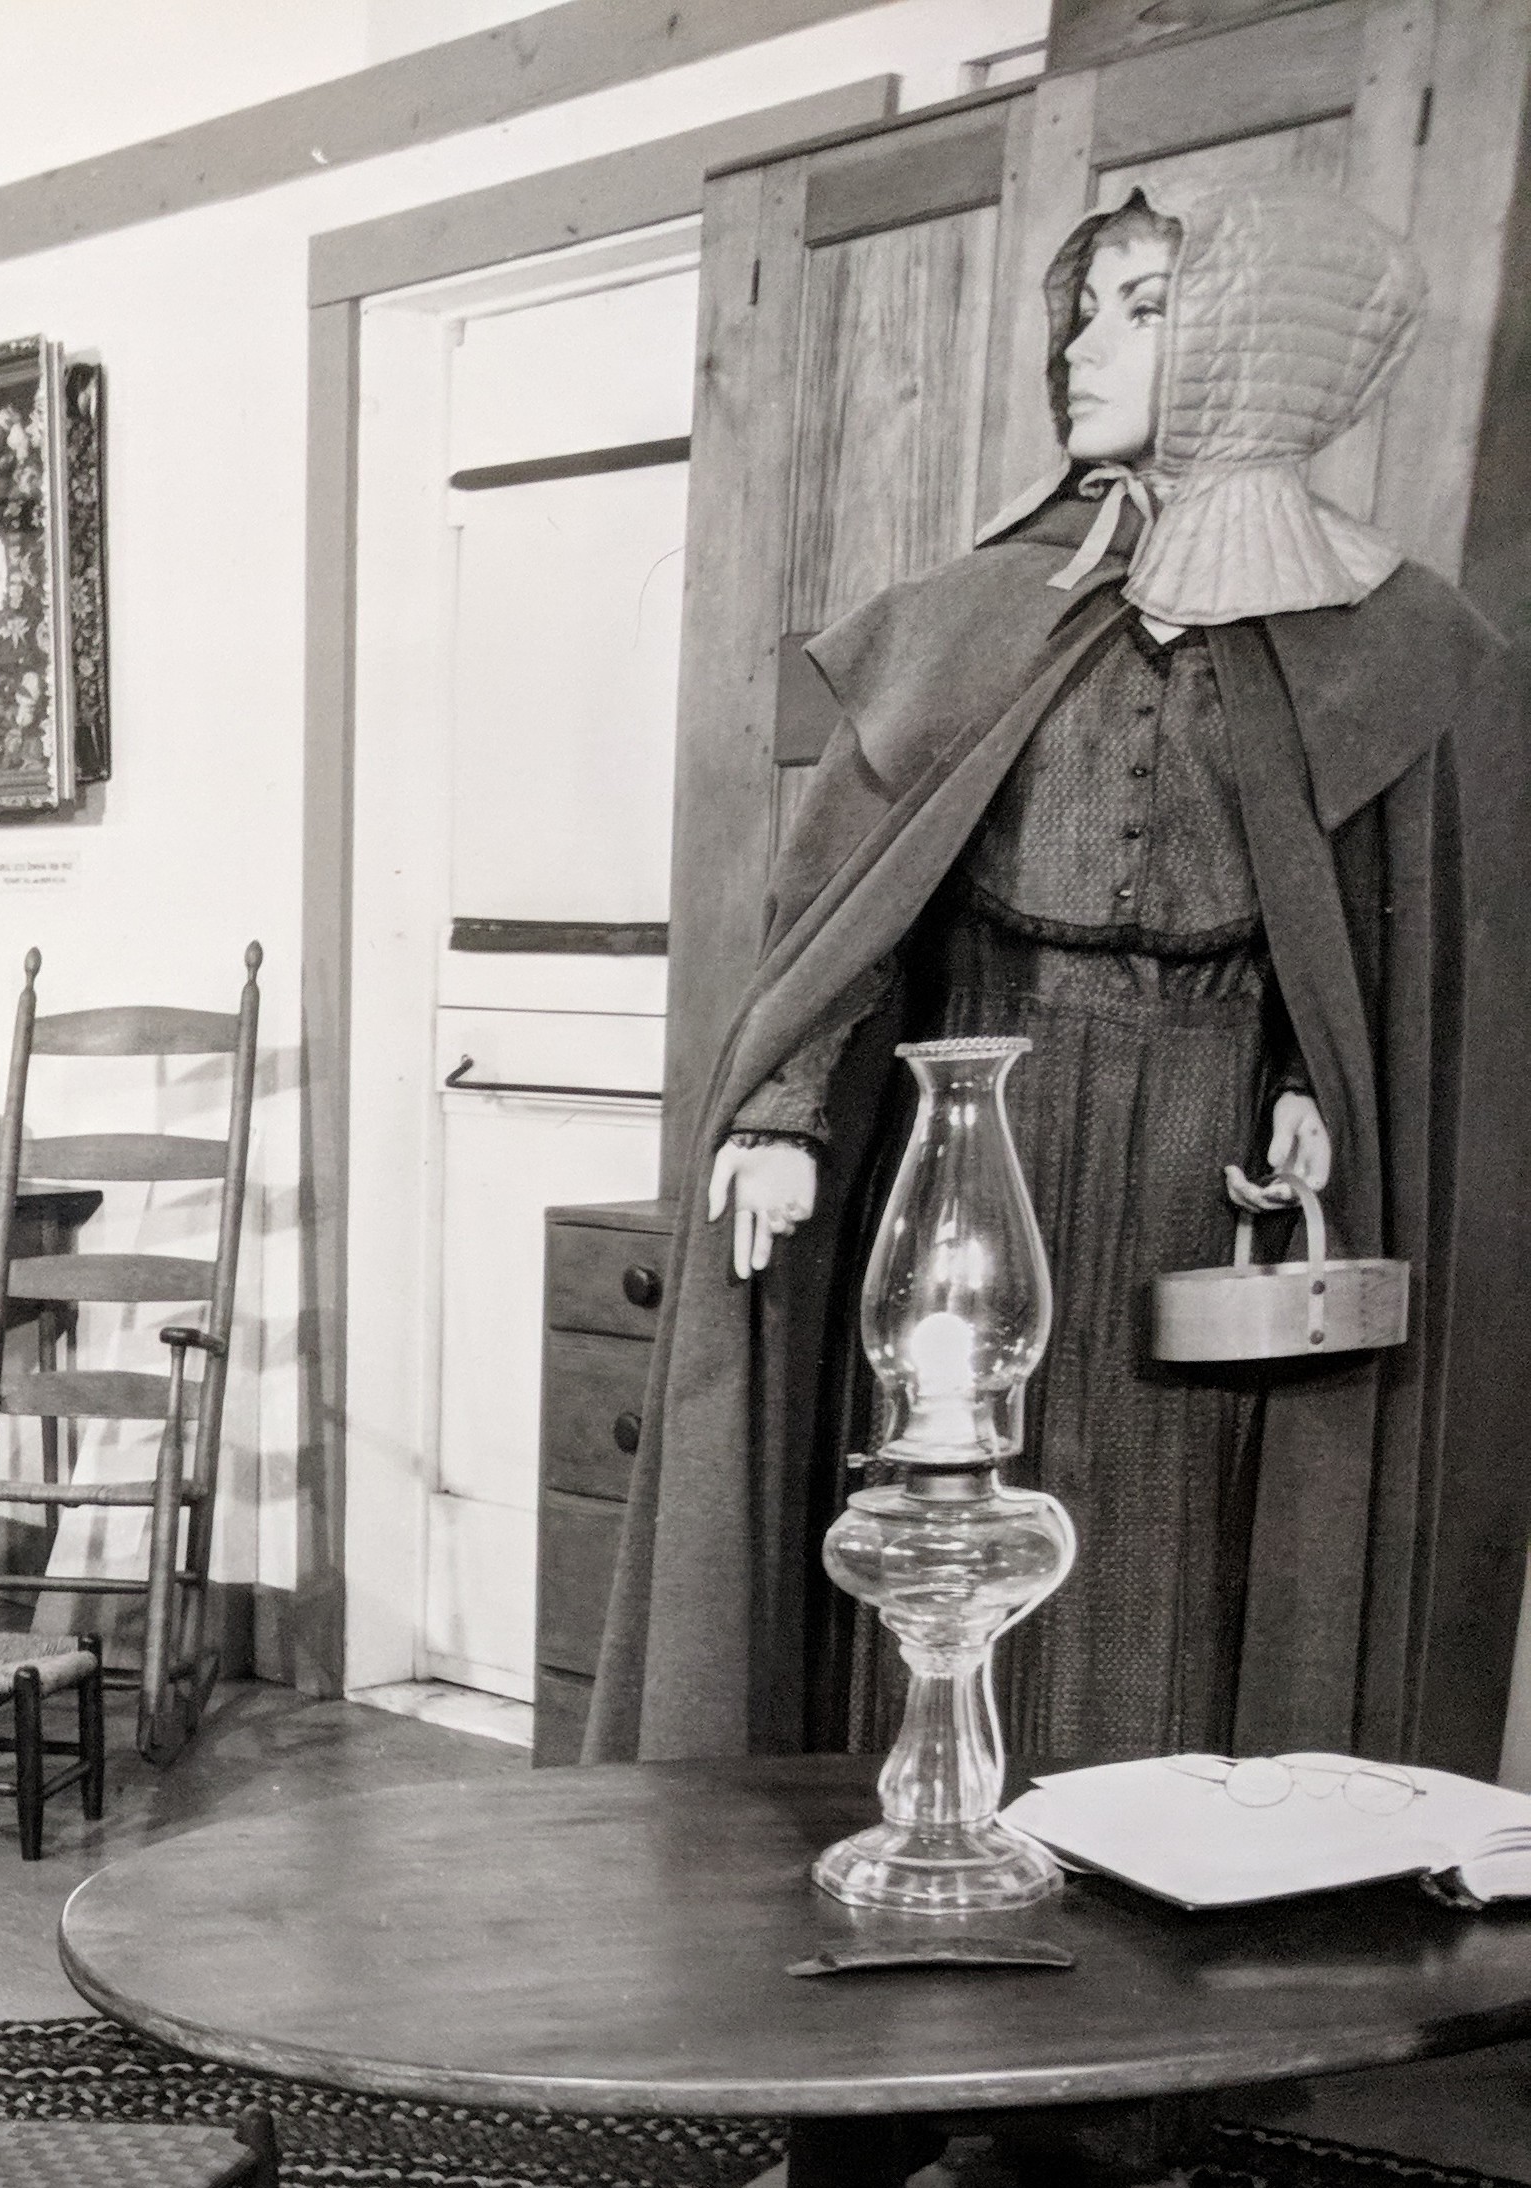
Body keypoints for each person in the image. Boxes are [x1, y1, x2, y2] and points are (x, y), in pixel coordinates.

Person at [594, 182, 1523, 1774]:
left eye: (1146, 310)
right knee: (945, 1527)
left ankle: (1135, 1920)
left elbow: (1365, 938)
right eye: (1080, 310)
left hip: (1200, 1179)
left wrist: (1311, 1084)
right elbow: (859, 905)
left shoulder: (1389, 640)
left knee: (1171, 1555)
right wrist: (785, 1112)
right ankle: (924, 1851)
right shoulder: (982, 617)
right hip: (967, 1157)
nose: (1085, 349)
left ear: (1252, 347)